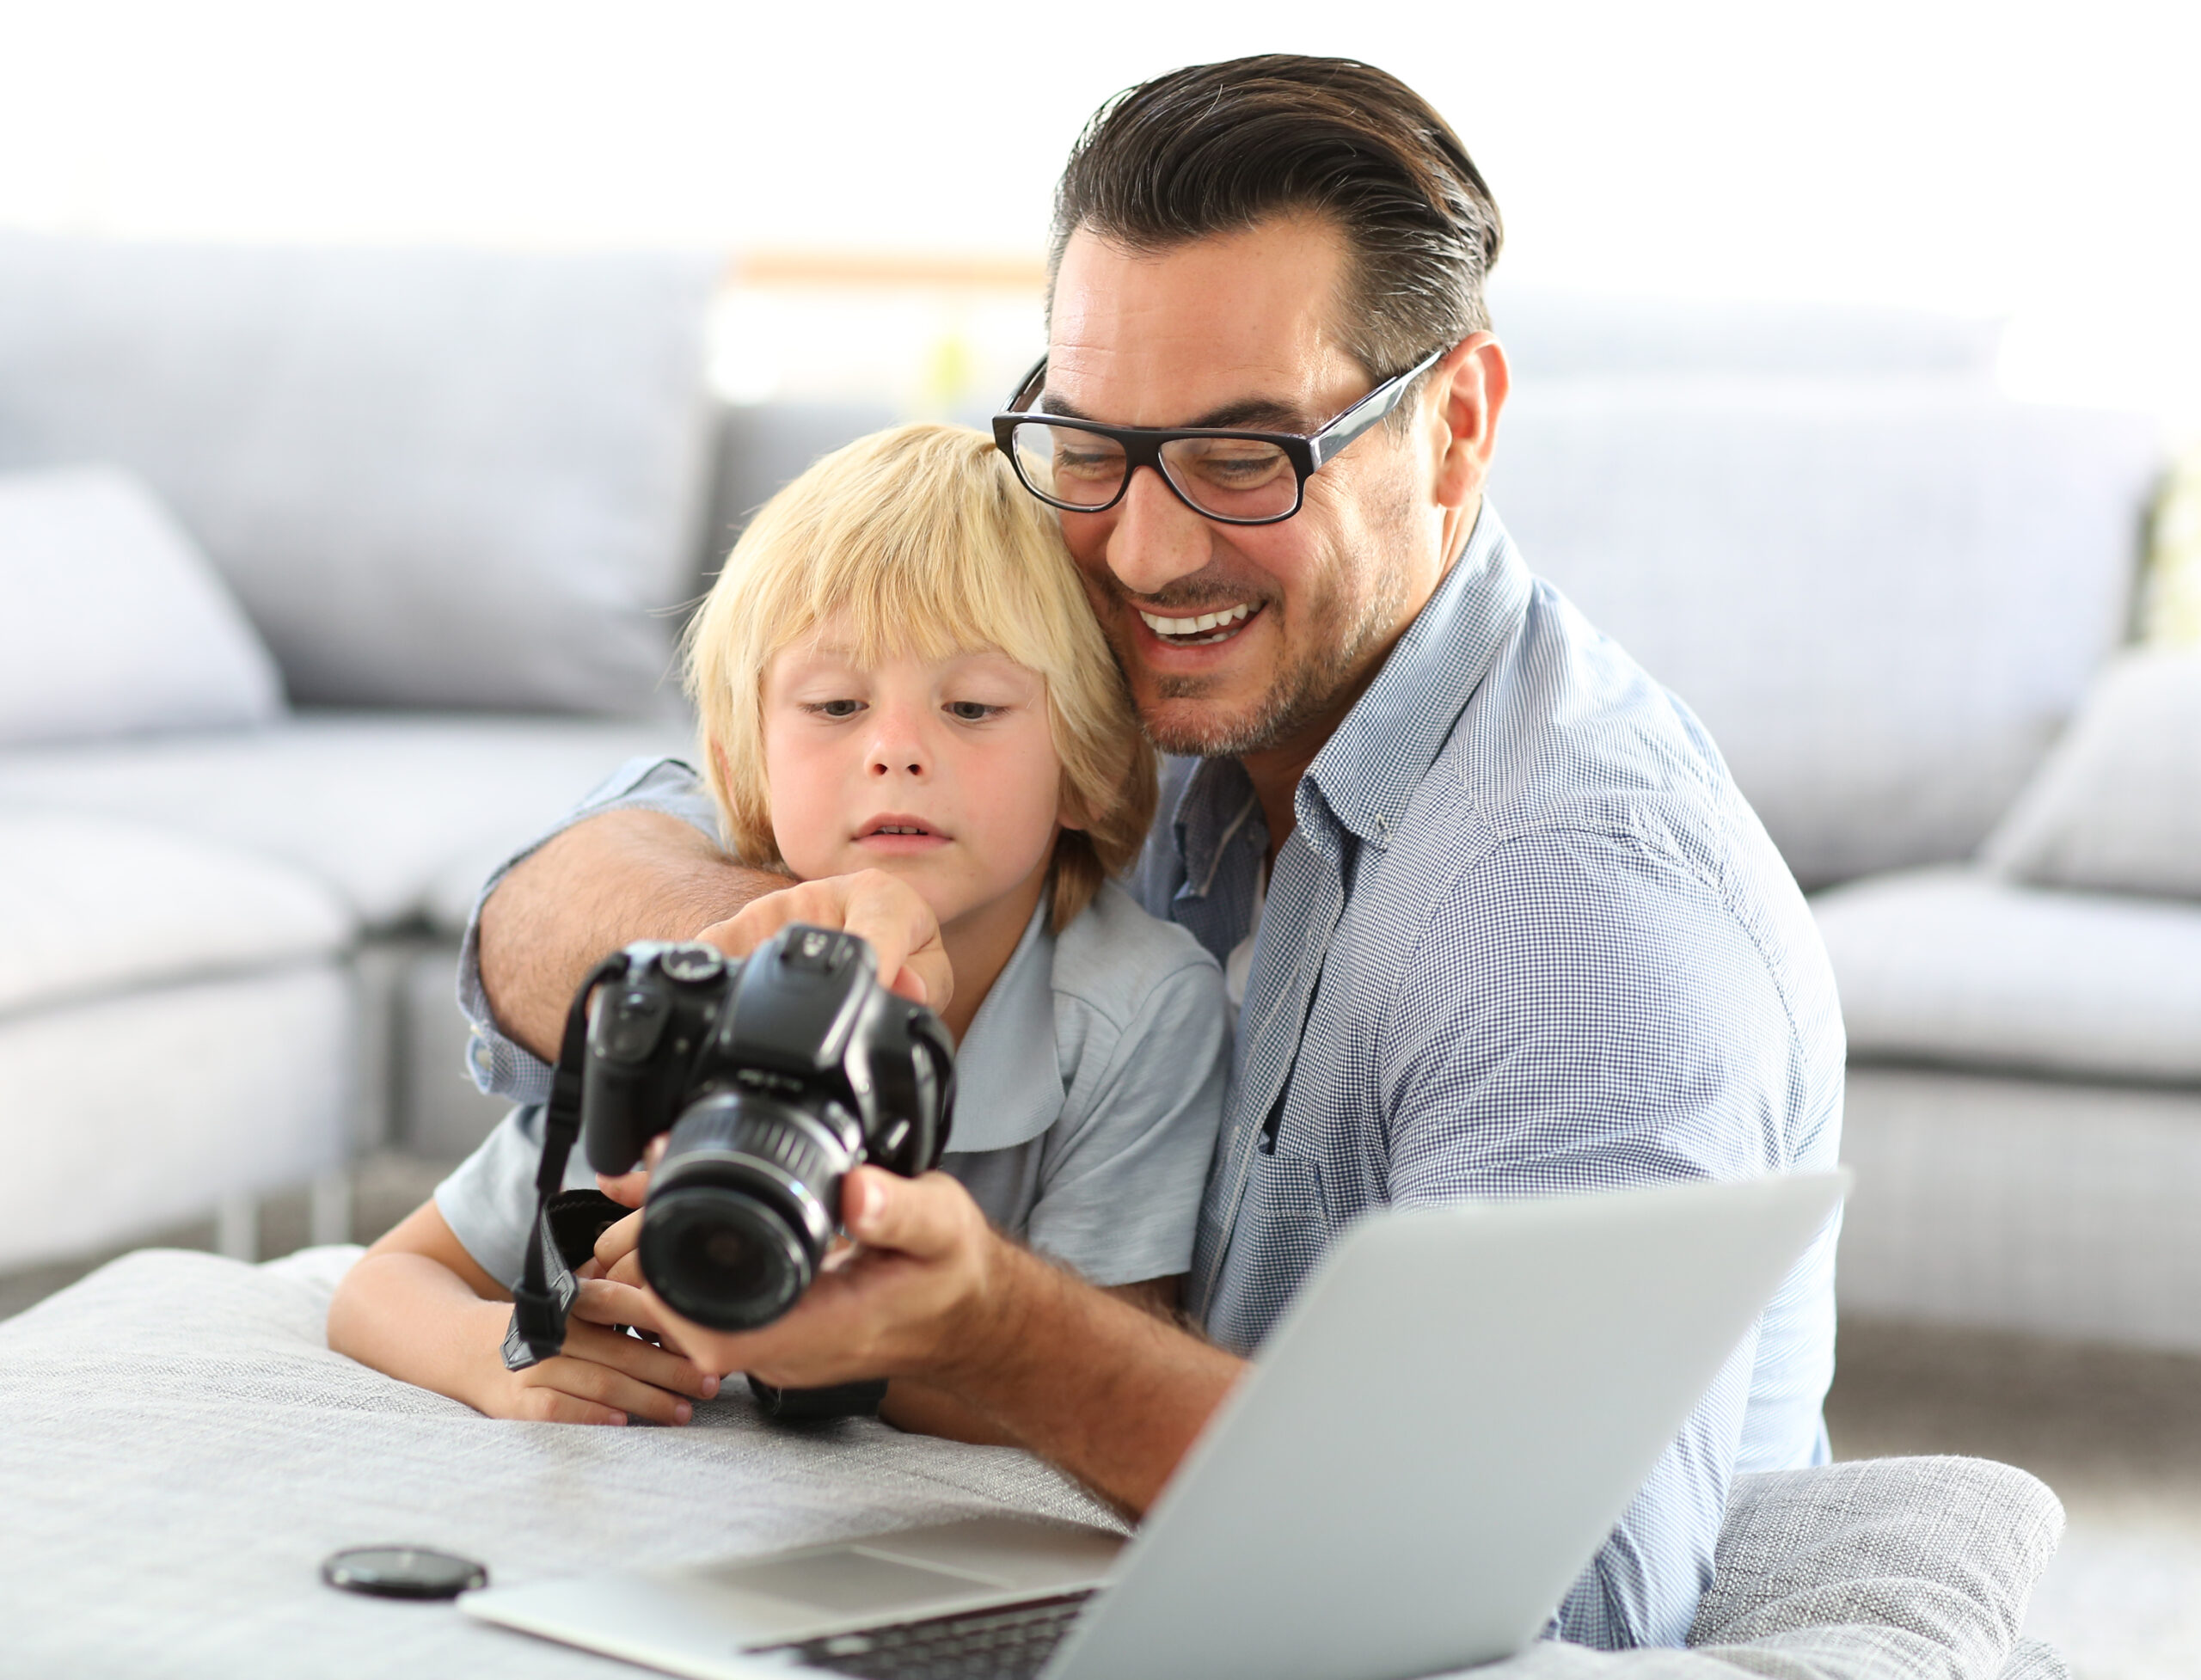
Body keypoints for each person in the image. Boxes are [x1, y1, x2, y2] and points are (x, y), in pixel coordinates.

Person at [465, 57, 1843, 1649]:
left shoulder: (1580, 905)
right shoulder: (1133, 670)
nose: (1147, 547)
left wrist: (1006, 1333)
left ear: (1455, 429)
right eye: (1094, 437)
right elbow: (549, 891)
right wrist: (785, 933)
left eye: (1248, 453)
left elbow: (1549, 1595)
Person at [327, 424, 1229, 1437]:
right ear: (744, 761)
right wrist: (498, 1359)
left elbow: (1107, 1379)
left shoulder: (1138, 1009)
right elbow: (388, 1281)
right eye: (836, 703)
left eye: (972, 707)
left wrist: (817, 1332)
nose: (895, 750)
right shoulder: (701, 993)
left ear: (1092, 762)